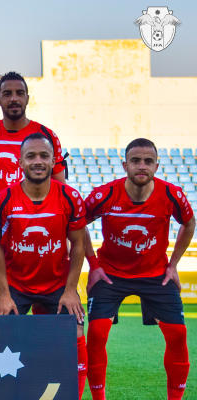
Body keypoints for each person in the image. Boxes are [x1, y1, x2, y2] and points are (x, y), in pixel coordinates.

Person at [84, 138, 193, 400]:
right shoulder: (105, 194)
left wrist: (173, 265)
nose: (142, 166)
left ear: (157, 165)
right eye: (135, 160)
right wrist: (93, 264)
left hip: (156, 275)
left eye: (148, 161)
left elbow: (189, 223)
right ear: (125, 165)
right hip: (110, 274)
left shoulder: (171, 194)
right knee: (96, 333)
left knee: (178, 334)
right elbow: (77, 224)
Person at [0, 133, 88, 398]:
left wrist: (71, 290)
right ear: (20, 162)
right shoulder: (4, 199)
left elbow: (78, 244)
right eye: (31, 156)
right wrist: (4, 294)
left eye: (44, 156)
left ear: (54, 161)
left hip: (57, 285)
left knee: (76, 330)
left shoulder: (70, 197)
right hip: (16, 286)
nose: (38, 161)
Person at [0, 71, 68, 315]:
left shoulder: (45, 136)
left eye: (19, 93)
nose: (14, 98)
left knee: (45, 309)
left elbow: (61, 187)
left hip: (37, 237)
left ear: (28, 98)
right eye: (7, 94)